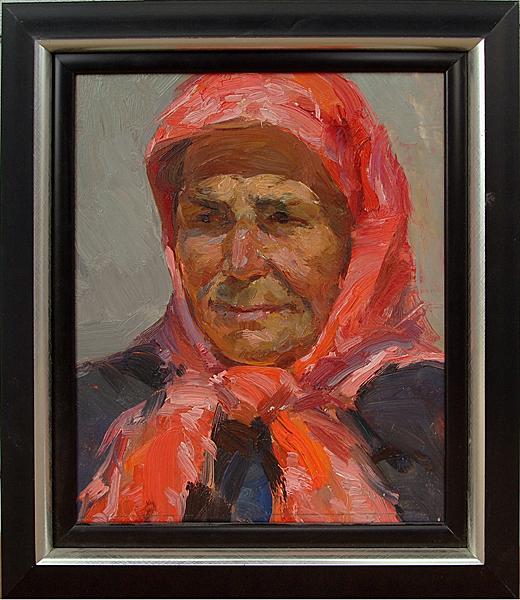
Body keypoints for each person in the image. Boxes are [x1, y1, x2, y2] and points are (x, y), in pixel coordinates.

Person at [77, 73, 444, 524]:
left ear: (361, 237)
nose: (242, 263)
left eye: (283, 218)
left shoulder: (437, 417)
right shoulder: (92, 408)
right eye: (208, 218)